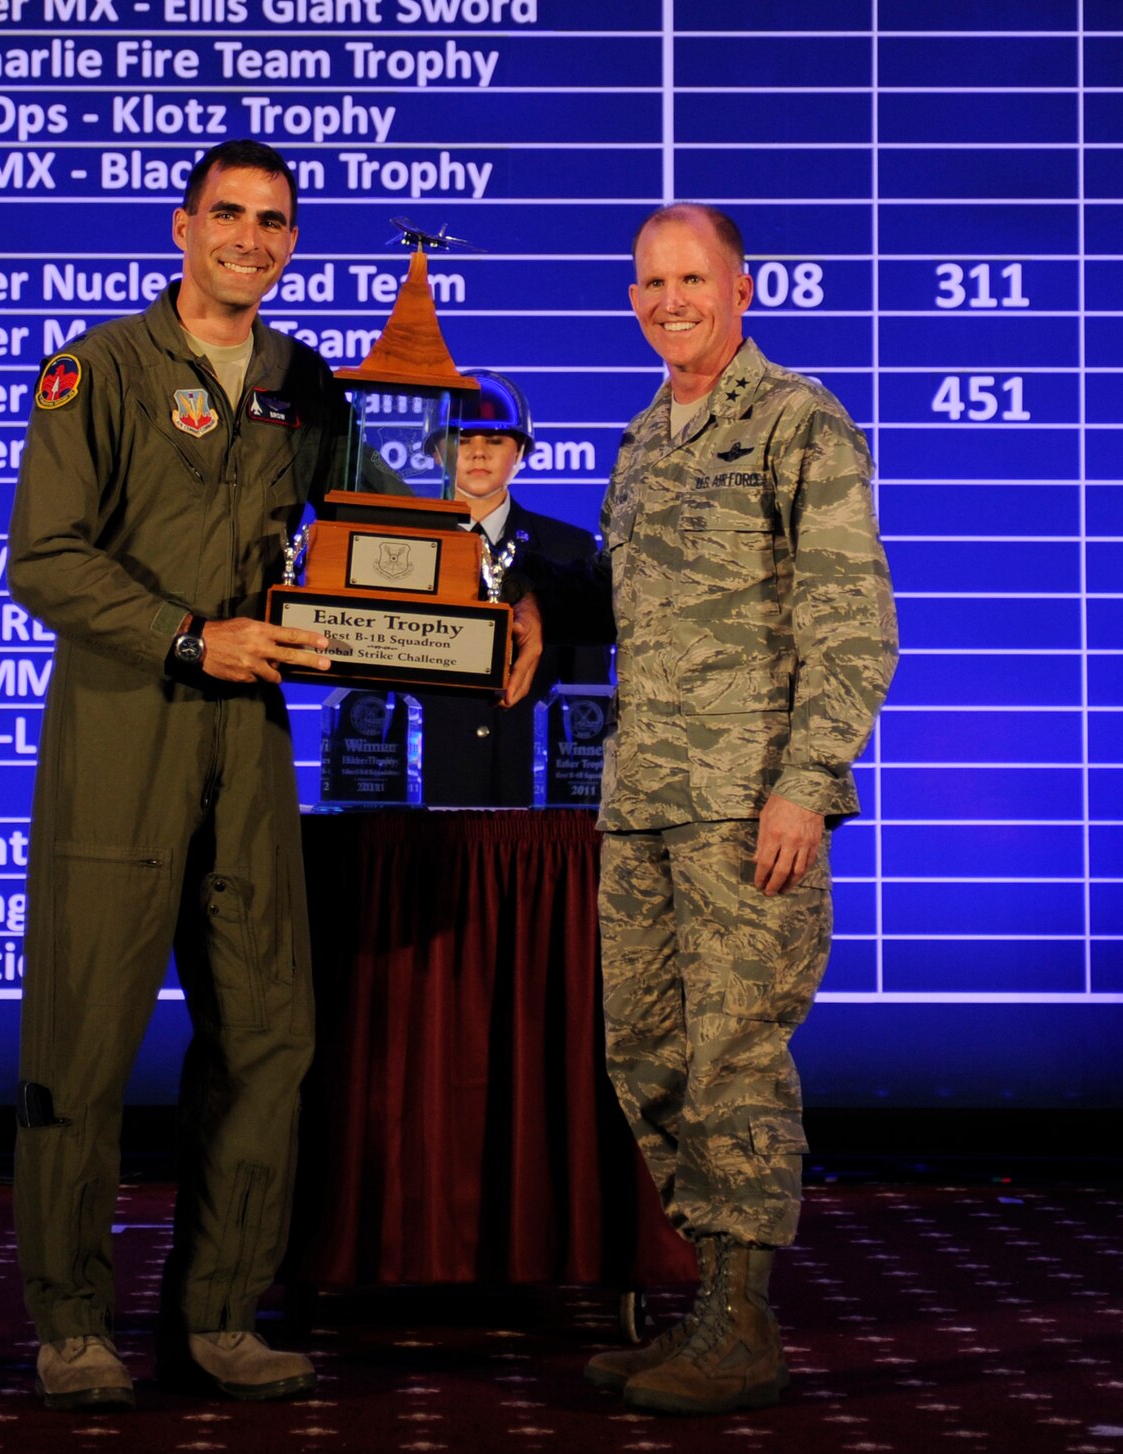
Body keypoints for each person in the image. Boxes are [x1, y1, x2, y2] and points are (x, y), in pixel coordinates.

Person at [518, 204, 898, 1415]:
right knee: (648, 1055)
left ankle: (741, 1321)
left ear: (742, 289)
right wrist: (535, 615)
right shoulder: (642, 439)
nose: (666, 299)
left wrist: (803, 782)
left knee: (734, 1055)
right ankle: (699, 1298)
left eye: (690, 279)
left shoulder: (797, 420)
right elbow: (640, 612)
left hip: (746, 807)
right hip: (639, 803)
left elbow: (851, 625)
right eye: (648, 281)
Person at [7, 139, 351, 1412]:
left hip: (248, 751)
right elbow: (41, 557)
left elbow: (379, 532)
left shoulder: (304, 385)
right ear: (181, 224)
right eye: (228, 214)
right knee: (81, 1050)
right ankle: (71, 1322)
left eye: (272, 221)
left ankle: (217, 1314)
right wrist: (184, 632)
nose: (249, 238)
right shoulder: (94, 369)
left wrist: (497, 594)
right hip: (120, 735)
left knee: (267, 1039)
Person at [415, 370, 606, 806]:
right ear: (434, 452)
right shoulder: (401, 547)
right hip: (426, 783)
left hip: (534, 787)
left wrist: (582, 790)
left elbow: (586, 690)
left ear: (520, 452)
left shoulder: (569, 548)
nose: (478, 452)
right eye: (462, 440)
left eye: (496, 441)